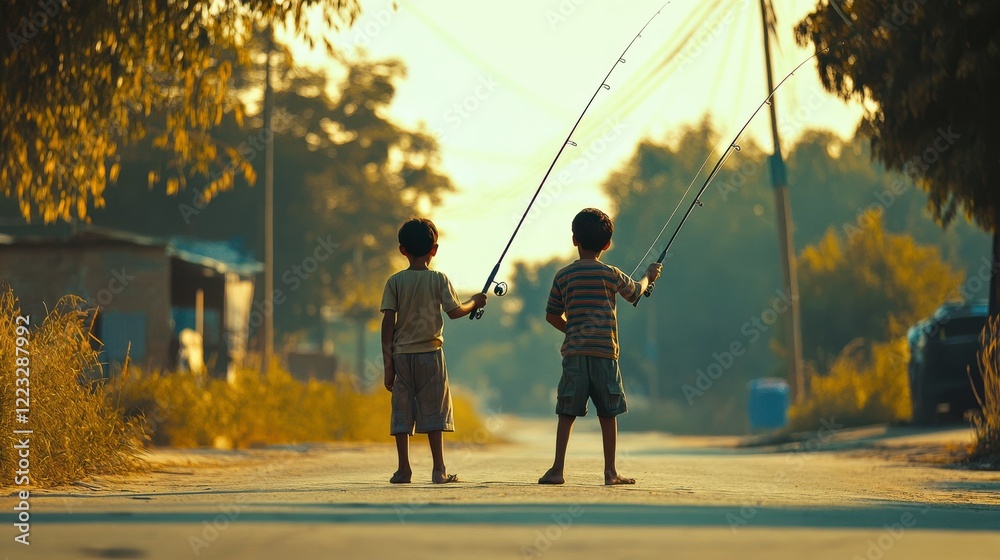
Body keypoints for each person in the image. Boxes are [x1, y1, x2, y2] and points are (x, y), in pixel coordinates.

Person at [538, 208, 661, 485]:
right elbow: (635, 293)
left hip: (574, 354)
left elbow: (551, 315)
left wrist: (573, 331)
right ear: (607, 244)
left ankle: (557, 470)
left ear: (574, 239)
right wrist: (649, 277)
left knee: (567, 411)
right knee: (608, 412)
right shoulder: (611, 274)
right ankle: (610, 472)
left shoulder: (563, 275)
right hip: (606, 354)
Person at [380, 217, 487, 484]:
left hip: (401, 356)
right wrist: (475, 301)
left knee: (402, 411)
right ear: (434, 249)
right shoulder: (439, 279)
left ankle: (404, 469)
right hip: (431, 354)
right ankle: (439, 469)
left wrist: (388, 365)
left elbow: (387, 323)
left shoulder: (394, 282)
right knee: (434, 411)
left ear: (402, 249)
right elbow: (454, 312)